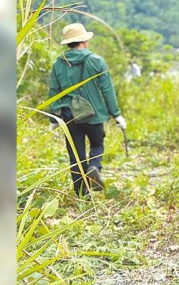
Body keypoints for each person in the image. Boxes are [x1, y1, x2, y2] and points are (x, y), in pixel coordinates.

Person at [48, 23, 127, 197]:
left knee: (75, 155)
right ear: (84, 41)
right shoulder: (97, 61)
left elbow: (54, 92)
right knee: (97, 144)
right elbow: (107, 90)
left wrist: (54, 118)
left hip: (69, 117)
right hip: (94, 114)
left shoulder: (59, 64)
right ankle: (94, 166)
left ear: (68, 43)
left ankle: (82, 194)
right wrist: (116, 114)